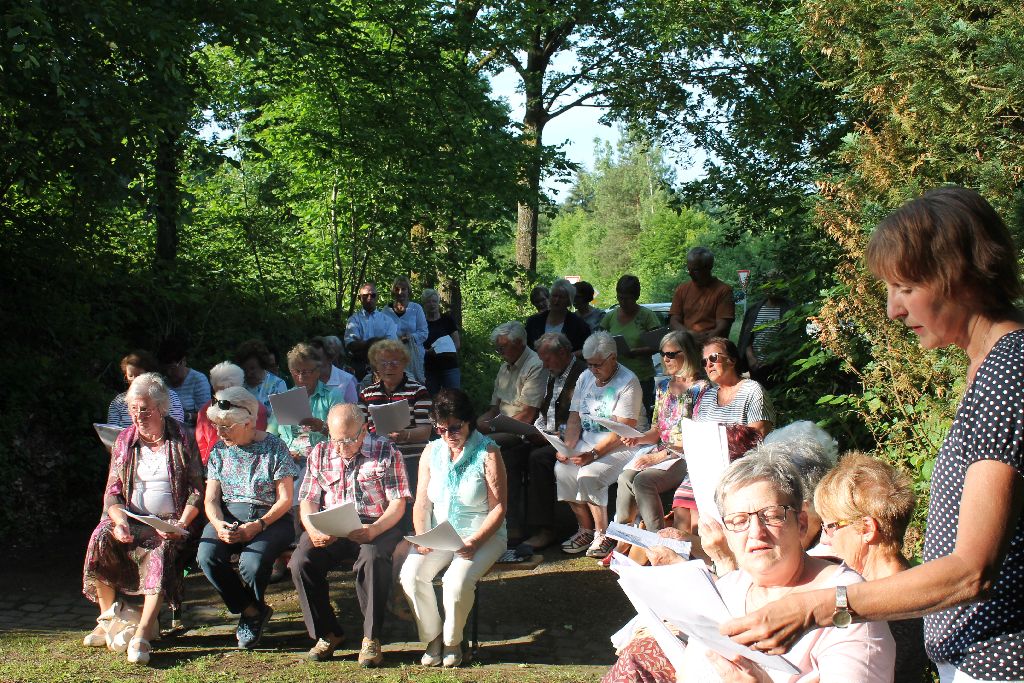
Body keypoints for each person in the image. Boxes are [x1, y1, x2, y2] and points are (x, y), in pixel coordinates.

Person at [723, 187, 1024, 683]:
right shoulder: (990, 366)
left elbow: (973, 570)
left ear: (959, 274)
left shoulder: (1009, 372)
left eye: (904, 287)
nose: (892, 310)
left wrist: (820, 606)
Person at [607, 447, 894, 682]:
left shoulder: (845, 603)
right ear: (726, 532)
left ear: (801, 523)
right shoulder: (728, 590)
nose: (756, 532)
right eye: (739, 521)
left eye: (772, 515)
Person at [82, 373, 203, 665]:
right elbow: (112, 492)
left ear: (161, 408)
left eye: (145, 409)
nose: (138, 415)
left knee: (160, 550)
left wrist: (181, 524)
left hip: (170, 522)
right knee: (101, 536)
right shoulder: (124, 440)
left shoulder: (183, 437)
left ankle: (143, 633)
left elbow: (197, 490)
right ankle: (109, 620)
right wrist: (119, 521)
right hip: (132, 517)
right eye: (133, 409)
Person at [291, 403, 411, 666]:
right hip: (332, 523)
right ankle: (328, 633)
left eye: (347, 440)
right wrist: (313, 529)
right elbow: (308, 499)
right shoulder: (320, 452)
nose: (340, 447)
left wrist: (375, 529)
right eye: (335, 440)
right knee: (301, 562)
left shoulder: (386, 451)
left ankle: (371, 637)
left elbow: (398, 503)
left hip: (375, 523)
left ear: (363, 430)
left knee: (372, 559)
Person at [400, 389, 507, 668]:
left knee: (455, 582)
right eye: (441, 429)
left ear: (468, 421)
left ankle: (452, 641)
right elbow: (421, 502)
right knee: (411, 575)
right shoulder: (431, 451)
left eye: (455, 427)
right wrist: (421, 535)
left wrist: (475, 542)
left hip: (482, 534)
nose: (448, 435)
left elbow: (498, 508)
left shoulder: (488, 451)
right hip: (440, 534)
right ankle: (433, 637)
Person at [814, 452, 931, 682]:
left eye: (830, 526)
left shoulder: (892, 608)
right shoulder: (907, 584)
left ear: (867, 529)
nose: (825, 539)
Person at [197, 387, 296, 649]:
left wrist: (259, 525)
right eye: (217, 426)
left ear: (249, 422)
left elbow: (285, 499)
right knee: (207, 555)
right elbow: (211, 499)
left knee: (252, 563)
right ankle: (251, 611)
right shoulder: (219, 450)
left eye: (227, 426)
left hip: (271, 517)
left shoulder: (274, 446)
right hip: (229, 514)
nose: (220, 432)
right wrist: (218, 524)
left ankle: (252, 614)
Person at [671, 337, 776, 534]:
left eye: (713, 358)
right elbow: (697, 435)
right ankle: (685, 551)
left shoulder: (752, 390)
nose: (708, 364)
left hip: (739, 467)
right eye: (704, 361)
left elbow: (758, 434)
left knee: (699, 520)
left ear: (732, 360)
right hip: (706, 466)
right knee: (682, 503)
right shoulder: (708, 396)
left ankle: (708, 548)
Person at [558, 331, 642, 558]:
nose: (592, 369)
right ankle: (585, 529)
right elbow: (574, 417)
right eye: (589, 364)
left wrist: (592, 455)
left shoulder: (628, 381)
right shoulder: (585, 377)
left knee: (590, 475)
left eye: (597, 364)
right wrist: (567, 447)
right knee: (563, 470)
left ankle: (602, 533)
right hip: (588, 442)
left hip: (624, 445)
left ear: (613, 358)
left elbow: (623, 429)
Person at [615, 330, 707, 534]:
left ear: (688, 354)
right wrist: (637, 438)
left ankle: (658, 537)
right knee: (625, 478)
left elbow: (697, 438)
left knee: (643, 481)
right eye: (663, 353)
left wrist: (659, 456)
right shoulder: (664, 386)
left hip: (686, 455)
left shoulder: (701, 389)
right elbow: (656, 430)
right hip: (662, 451)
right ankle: (624, 535)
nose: (665, 359)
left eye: (671, 354)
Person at [268, 343, 346, 546]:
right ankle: (287, 533)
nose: (301, 376)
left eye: (307, 371)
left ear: (318, 371)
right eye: (296, 371)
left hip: (323, 456)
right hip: (290, 456)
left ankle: (297, 535)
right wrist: (285, 451)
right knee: (286, 472)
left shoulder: (332, 396)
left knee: (300, 478)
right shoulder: (285, 399)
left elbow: (344, 433)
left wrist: (322, 427)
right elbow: (271, 434)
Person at [475, 321, 547, 539]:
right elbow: (493, 409)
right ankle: (480, 516)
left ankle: (510, 523)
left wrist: (488, 427)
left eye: (503, 347)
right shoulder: (505, 366)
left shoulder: (535, 365)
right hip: (501, 425)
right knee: (466, 441)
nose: (499, 352)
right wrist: (476, 425)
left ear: (519, 343)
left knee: (492, 450)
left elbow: (527, 415)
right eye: (497, 348)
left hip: (524, 432)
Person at [523, 332, 587, 549]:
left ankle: (545, 530)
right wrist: (536, 430)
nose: (544, 365)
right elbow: (546, 412)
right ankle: (512, 523)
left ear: (562, 352)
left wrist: (556, 435)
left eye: (547, 359)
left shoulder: (583, 375)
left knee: (539, 458)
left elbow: (583, 419)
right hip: (550, 436)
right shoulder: (555, 374)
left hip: (574, 440)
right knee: (511, 451)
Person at [598, 274, 662, 419]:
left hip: (641, 377)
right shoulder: (610, 317)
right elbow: (598, 341)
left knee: (639, 417)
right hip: (614, 376)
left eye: (627, 298)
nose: (623, 302)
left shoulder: (647, 316)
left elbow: (658, 345)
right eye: (620, 297)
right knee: (613, 416)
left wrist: (635, 352)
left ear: (636, 296)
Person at [359, 339, 433, 458]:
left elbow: (426, 431)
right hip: (377, 458)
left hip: (411, 458)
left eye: (394, 362)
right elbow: (359, 428)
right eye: (383, 363)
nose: (389, 367)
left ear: (404, 363)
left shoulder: (419, 391)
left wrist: (405, 435)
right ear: (376, 366)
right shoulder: (366, 394)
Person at [195, 362, 269, 465]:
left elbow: (201, 448)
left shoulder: (256, 409)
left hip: (240, 463)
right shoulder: (256, 408)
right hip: (223, 464)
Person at [737, 272, 795, 388]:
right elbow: (746, 337)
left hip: (780, 366)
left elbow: (793, 339)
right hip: (757, 366)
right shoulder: (754, 310)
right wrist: (751, 358)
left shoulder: (790, 309)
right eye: (767, 284)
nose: (770, 288)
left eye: (774, 284)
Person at [669, 247, 735, 345]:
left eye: (696, 270)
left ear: (709, 267)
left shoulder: (723, 290)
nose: (690, 274)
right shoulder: (681, 290)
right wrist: (689, 335)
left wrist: (704, 341)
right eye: (689, 269)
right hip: (687, 346)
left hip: (713, 346)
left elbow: (723, 326)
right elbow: (674, 320)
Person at [107, 350, 185, 427]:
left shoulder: (168, 397)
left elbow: (177, 428)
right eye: (130, 376)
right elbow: (111, 431)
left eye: (139, 375)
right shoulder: (119, 402)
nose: (134, 379)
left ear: (150, 374)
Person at [345, 282, 400, 377]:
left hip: (384, 365)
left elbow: (391, 344)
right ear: (359, 298)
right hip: (359, 364)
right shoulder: (353, 320)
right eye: (365, 295)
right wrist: (378, 341)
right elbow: (351, 345)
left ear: (377, 297)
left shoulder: (387, 320)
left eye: (373, 295)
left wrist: (364, 343)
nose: (369, 298)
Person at [157, 337, 212, 430]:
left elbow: (206, 416)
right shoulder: (163, 382)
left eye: (172, 368)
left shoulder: (198, 380)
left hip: (192, 431)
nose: (169, 373)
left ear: (183, 361)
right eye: (165, 369)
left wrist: (184, 416)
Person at [525, 278, 591, 352]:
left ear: (569, 301)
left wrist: (569, 356)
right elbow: (525, 347)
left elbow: (586, 350)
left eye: (561, 297)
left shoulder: (579, 325)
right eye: (554, 296)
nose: (556, 300)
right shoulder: (533, 322)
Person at [384, 276, 429, 383]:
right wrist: (396, 340)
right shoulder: (386, 311)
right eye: (397, 289)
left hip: (413, 356)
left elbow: (424, 332)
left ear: (408, 290)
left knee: (414, 385)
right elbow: (382, 334)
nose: (400, 292)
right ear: (393, 291)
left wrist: (411, 337)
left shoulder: (416, 309)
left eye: (403, 289)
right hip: (393, 356)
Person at [422, 288, 461, 394]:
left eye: (434, 301)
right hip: (429, 370)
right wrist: (427, 352)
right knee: (431, 400)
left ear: (438, 303)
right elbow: (416, 346)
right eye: (428, 302)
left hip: (449, 367)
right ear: (424, 304)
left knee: (453, 398)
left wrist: (444, 350)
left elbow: (457, 344)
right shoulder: (421, 323)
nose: (432, 304)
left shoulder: (447, 320)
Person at [234, 339, 287, 414]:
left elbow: (283, 415)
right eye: (245, 370)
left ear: (262, 364)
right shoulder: (238, 385)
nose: (248, 374)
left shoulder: (277, 385)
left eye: (252, 369)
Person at [310, 336, 358, 402]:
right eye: (310, 359)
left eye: (317, 359)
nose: (312, 363)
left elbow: (353, 408)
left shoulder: (347, 381)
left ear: (329, 358)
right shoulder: (305, 380)